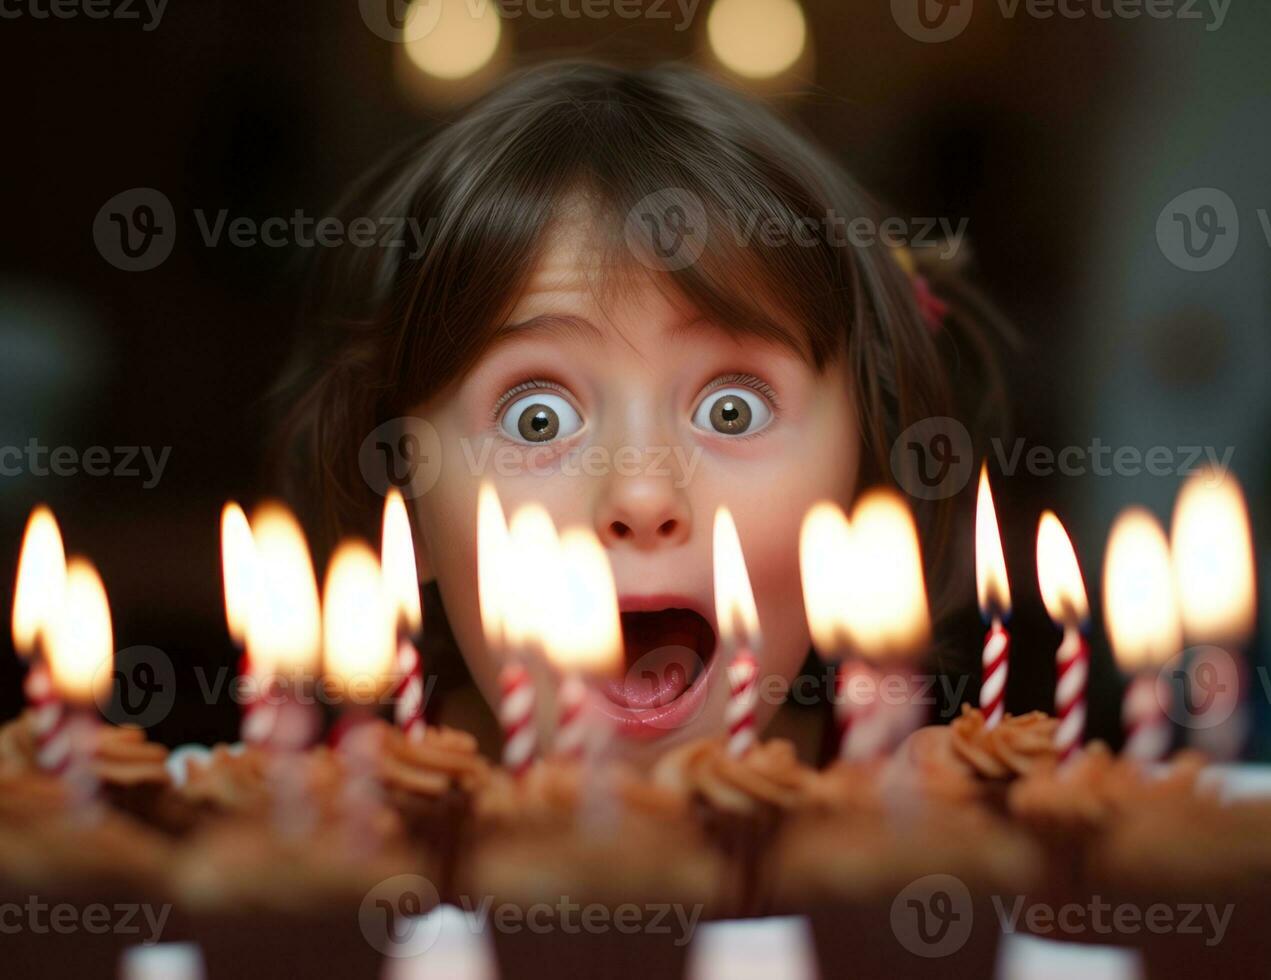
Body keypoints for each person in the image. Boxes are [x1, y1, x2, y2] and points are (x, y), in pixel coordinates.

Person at [278, 60, 1007, 766]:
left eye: (731, 411)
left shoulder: (943, 854)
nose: (640, 495)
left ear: (864, 472)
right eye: (538, 419)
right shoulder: (323, 840)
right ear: (401, 493)